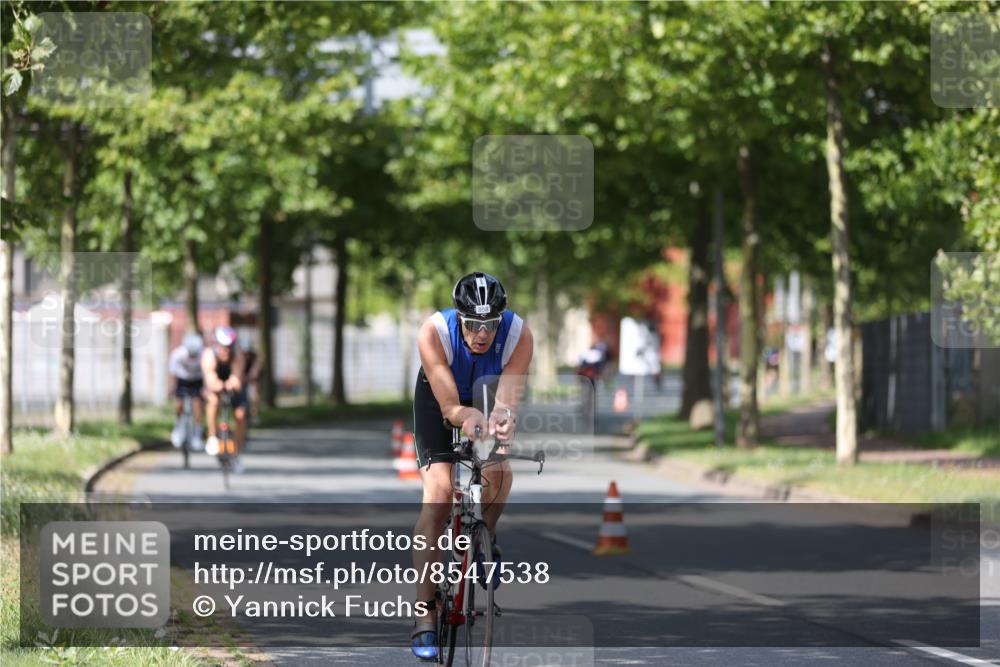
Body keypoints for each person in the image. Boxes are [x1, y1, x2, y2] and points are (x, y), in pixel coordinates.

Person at [410, 272, 533, 661]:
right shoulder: (434, 333)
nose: (482, 334)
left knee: (499, 470)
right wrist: (464, 415)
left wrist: (502, 418)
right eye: (473, 324)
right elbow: (450, 407)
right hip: (440, 399)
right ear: (458, 317)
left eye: (491, 325)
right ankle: (425, 613)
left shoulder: (519, 336)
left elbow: (506, 399)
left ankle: (485, 539)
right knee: (440, 494)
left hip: (487, 392)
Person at [202, 325, 248, 471]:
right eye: (223, 347)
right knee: (213, 401)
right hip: (216, 385)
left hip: (232, 387)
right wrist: (218, 385)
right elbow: (210, 378)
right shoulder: (209, 355)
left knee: (240, 415)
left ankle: (236, 451)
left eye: (229, 347)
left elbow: (237, 378)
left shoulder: (238, 356)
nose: (226, 350)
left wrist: (232, 383)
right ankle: (212, 436)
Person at [169, 333, 205, 451]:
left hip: (197, 380)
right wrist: (172, 387)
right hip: (182, 379)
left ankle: (197, 434)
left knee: (198, 406)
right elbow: (173, 373)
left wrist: (206, 389)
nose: (193, 357)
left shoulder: (203, 354)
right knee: (179, 405)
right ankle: (177, 427)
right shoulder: (177, 354)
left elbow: (207, 372)